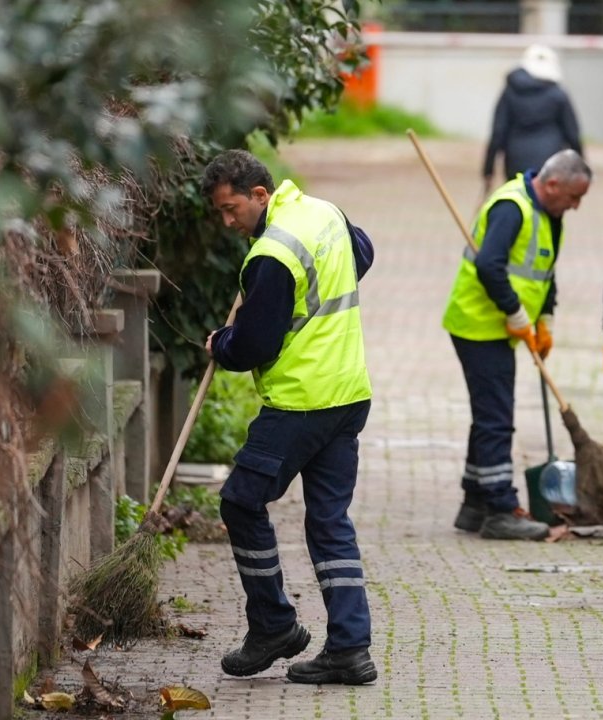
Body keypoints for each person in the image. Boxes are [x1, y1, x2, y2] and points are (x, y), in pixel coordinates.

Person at [201, 149, 378, 685]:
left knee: (240, 501)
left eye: (233, 209)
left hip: (302, 401)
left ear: (260, 195)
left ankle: (273, 625)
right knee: (329, 521)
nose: (230, 222)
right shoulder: (323, 213)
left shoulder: (272, 254)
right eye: (221, 214)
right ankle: (350, 649)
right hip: (348, 394)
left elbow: (253, 344)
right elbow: (362, 252)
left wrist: (221, 343)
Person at [444, 149, 592, 541]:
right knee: (496, 419)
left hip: (500, 326)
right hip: (479, 324)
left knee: (488, 415)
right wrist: (515, 313)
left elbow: (544, 271)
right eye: (574, 197)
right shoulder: (513, 207)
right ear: (553, 184)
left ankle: (473, 504)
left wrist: (545, 318)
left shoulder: (550, 215)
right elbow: (489, 265)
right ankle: (499, 508)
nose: (576, 206)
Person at [482, 44, 584, 195]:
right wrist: (580, 167)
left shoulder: (510, 92)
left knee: (517, 205)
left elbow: (498, 132)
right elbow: (573, 134)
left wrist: (488, 168)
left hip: (515, 162)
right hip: (551, 164)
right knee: (548, 208)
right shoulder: (558, 94)